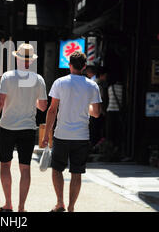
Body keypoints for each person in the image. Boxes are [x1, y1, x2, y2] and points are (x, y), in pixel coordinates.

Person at [0, 43, 48, 212]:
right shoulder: (38, 79)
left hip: (7, 127)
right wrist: (31, 99)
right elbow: (43, 107)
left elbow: (0, 102)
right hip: (27, 128)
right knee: (25, 168)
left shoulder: (7, 77)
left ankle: (8, 204)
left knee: (5, 165)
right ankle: (21, 207)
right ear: (31, 61)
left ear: (18, 59)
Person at [42, 51, 101, 212]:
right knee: (77, 172)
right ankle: (71, 207)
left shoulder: (60, 83)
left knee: (57, 169)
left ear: (69, 65)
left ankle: (60, 202)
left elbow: (52, 110)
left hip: (61, 134)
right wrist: (85, 106)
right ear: (83, 67)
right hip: (82, 136)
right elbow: (96, 113)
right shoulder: (92, 85)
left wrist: (47, 134)